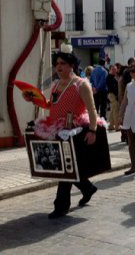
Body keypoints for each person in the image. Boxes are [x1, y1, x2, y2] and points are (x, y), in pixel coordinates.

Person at [23, 48, 102, 219]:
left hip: (73, 130)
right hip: (57, 129)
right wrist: (34, 99)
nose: (58, 67)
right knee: (68, 168)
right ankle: (88, 188)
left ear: (71, 65)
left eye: (62, 64)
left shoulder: (81, 84)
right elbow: (51, 105)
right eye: (56, 64)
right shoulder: (56, 84)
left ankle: (61, 206)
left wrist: (92, 130)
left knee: (66, 168)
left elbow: (92, 109)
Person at [106, 64, 120, 131]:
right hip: (112, 94)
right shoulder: (109, 77)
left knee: (113, 110)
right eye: (113, 69)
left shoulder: (114, 76)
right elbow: (112, 88)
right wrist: (117, 94)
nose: (115, 70)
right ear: (110, 70)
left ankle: (111, 125)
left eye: (115, 69)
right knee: (116, 110)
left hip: (112, 94)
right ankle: (117, 126)